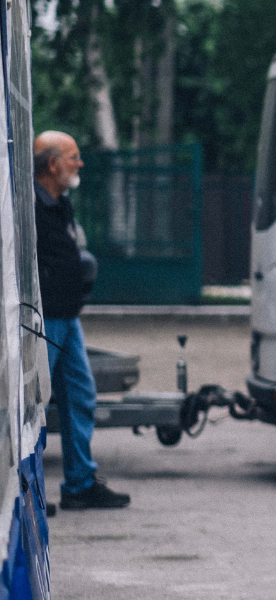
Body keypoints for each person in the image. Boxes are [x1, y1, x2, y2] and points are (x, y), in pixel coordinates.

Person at [33, 131, 131, 511]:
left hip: (66, 316)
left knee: (80, 395)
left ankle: (79, 484)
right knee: (36, 403)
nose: (80, 163)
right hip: (44, 318)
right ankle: (30, 491)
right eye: (73, 157)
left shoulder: (59, 203)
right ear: (53, 164)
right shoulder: (32, 207)